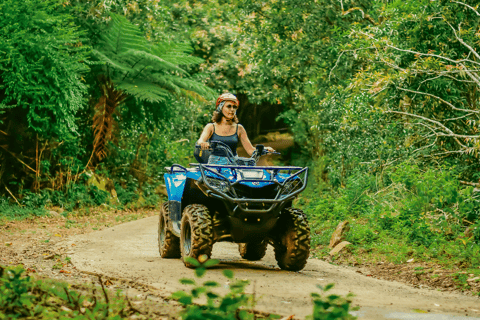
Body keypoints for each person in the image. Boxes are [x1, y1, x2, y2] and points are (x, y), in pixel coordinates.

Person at [197, 93, 274, 164]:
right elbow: (200, 141)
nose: (232, 109)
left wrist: (264, 149)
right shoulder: (211, 127)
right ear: (220, 108)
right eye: (229, 106)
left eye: (234, 107)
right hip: (215, 165)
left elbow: (250, 150)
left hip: (233, 164)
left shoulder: (239, 128)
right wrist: (203, 143)